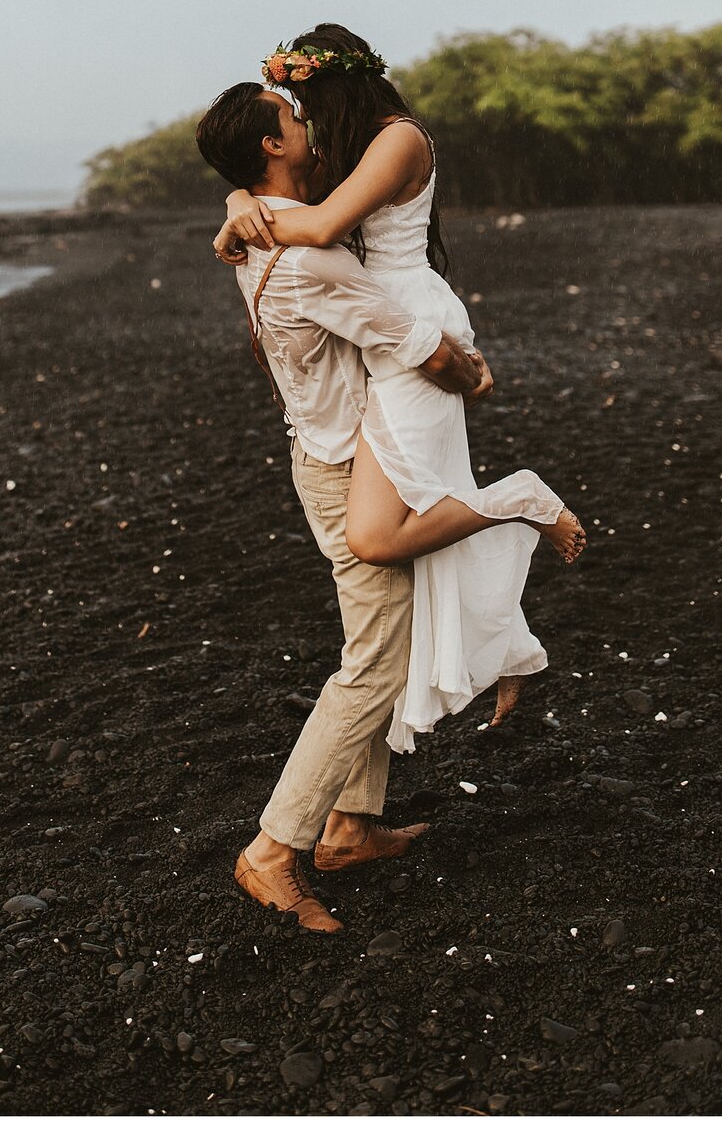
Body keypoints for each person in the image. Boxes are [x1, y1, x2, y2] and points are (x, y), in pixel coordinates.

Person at [213, 25, 585, 748]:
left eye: (305, 99)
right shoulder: (345, 147)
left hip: (407, 321)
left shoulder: (399, 139)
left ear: (336, 82)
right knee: (428, 508)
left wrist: (246, 219)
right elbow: (274, 184)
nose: (304, 115)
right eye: (294, 108)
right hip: (375, 329)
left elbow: (315, 224)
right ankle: (508, 647)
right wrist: (236, 199)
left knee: (381, 534)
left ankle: (522, 496)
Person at [196, 82, 494, 934]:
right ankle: (273, 848)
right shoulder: (311, 257)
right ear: (271, 148)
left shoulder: (259, 226)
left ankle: (353, 826)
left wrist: (235, 199)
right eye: (294, 120)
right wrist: (476, 374)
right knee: (370, 665)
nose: (310, 126)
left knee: (377, 648)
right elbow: (421, 348)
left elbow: (282, 203)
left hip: (317, 450)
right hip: (340, 466)